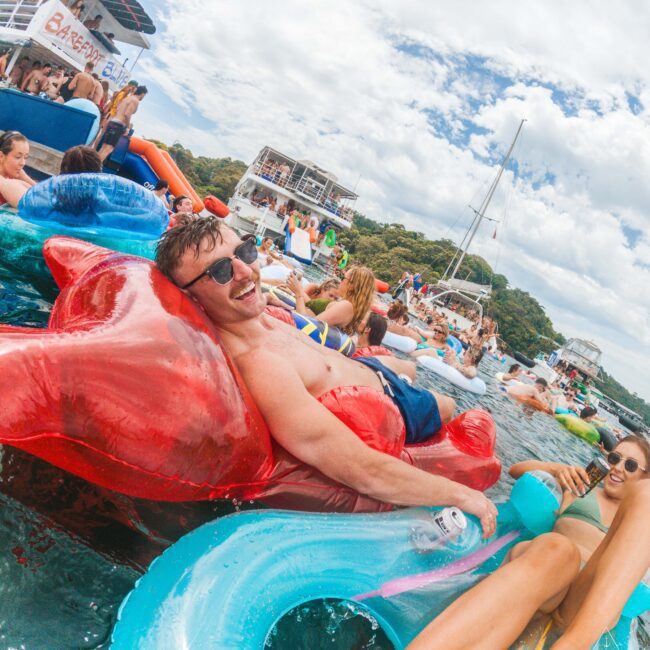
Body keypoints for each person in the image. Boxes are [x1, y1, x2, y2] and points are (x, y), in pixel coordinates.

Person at [153, 219, 496, 522]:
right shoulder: (260, 366)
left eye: (243, 252)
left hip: (368, 368)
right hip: (393, 400)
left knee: (405, 366)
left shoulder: (260, 317)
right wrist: (460, 495)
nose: (244, 271)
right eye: (221, 271)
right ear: (191, 297)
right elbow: (363, 469)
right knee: (450, 407)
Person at [408, 436, 650, 650]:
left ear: (645, 476)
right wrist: (559, 470)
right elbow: (517, 470)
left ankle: (574, 643)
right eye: (615, 458)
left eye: (630, 465)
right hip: (550, 571)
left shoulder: (638, 522)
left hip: (586, 600)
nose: (617, 468)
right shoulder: (580, 487)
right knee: (559, 549)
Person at [289, 265, 375, 335]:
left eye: (343, 278)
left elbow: (308, 325)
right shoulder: (348, 307)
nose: (340, 281)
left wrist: (298, 293)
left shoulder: (346, 306)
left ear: (352, 285)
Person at [97, 85, 147, 161]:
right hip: (118, 125)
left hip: (113, 121)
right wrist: (127, 127)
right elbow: (127, 114)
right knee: (109, 149)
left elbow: (118, 109)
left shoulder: (127, 98)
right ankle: (94, 168)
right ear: (142, 94)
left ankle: (91, 166)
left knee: (104, 147)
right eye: (144, 95)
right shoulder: (135, 100)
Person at [0, 131, 36, 207]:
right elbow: (28, 205)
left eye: (25, 157)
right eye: (18, 157)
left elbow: (41, 192)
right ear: (1, 156)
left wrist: (25, 177)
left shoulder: (14, 173)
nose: (23, 163)